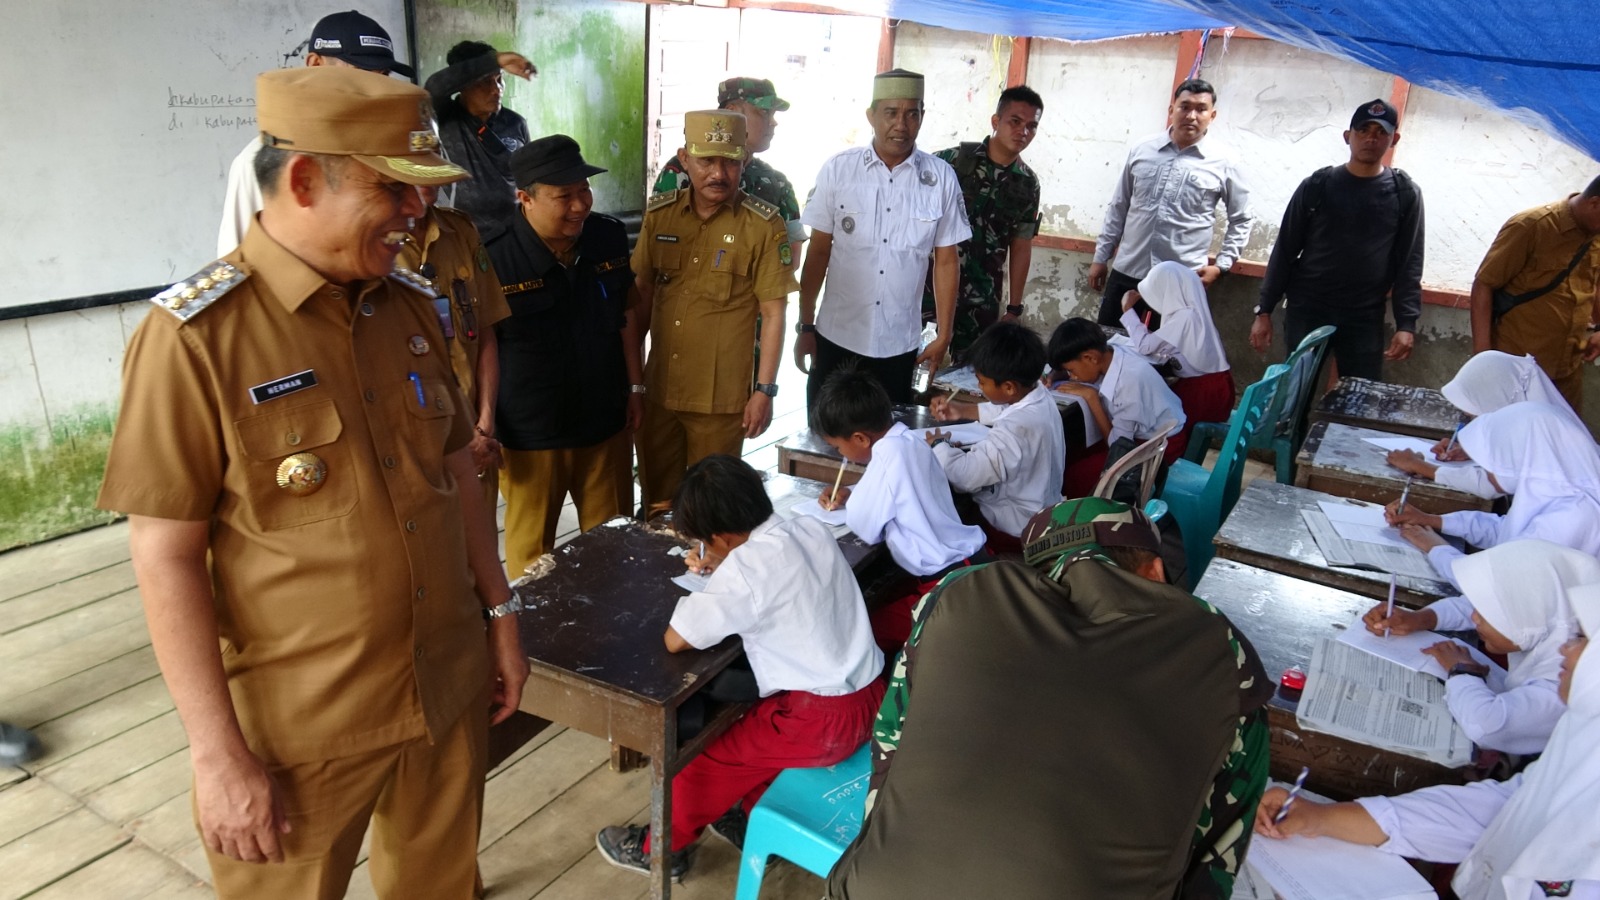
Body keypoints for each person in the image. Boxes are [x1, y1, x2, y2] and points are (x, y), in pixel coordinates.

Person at [96, 68, 528, 899]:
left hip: (444, 683)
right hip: (301, 730)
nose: (418, 212)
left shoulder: (410, 305)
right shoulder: (193, 341)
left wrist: (499, 612)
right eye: (394, 190)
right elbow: (165, 554)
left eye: (422, 192)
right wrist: (216, 754)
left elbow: (455, 473)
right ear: (302, 180)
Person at [827, 498, 1272, 900]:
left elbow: (889, 754)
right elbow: (1213, 856)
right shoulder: (1221, 649)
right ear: (1155, 572)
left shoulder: (954, 596)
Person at [595, 455, 884, 880]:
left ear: (720, 537)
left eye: (704, 543)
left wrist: (721, 574)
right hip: (869, 694)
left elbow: (677, 638)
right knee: (746, 734)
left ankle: (659, 851)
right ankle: (750, 818)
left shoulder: (745, 571)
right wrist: (723, 563)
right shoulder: (807, 528)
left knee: (701, 764)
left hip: (820, 721)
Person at [1255, 579, 1600, 900]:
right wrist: (1321, 818)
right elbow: (1500, 810)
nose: (1566, 649)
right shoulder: (1585, 739)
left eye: (1584, 639)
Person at [486, 135, 641, 578]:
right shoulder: (494, 256)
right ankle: (534, 643)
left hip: (605, 417)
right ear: (525, 198)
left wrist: (636, 387)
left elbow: (626, 315)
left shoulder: (608, 236)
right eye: (564, 196)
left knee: (613, 541)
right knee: (532, 559)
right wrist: (486, 421)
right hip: (532, 431)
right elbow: (483, 349)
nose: (579, 206)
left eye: (584, 191)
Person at [626, 111, 797, 509]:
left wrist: (764, 391)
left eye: (730, 162)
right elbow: (641, 296)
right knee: (657, 503)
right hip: (660, 391)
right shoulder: (660, 215)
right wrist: (633, 383)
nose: (718, 173)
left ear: (745, 163)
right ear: (685, 159)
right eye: (707, 160)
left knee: (713, 508)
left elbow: (774, 313)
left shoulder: (763, 226)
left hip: (720, 400)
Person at [795, 69, 971, 406]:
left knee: (889, 441)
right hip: (837, 337)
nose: (901, 124)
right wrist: (805, 326)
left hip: (899, 345)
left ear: (922, 117)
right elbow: (817, 253)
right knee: (825, 441)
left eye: (912, 113)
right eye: (891, 113)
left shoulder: (941, 178)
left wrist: (944, 333)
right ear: (871, 116)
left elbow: (947, 261)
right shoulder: (838, 170)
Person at [1365, 540, 1599, 755]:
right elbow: (1475, 606)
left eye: (1487, 614)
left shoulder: (1569, 678)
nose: (1475, 617)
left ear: (1527, 617)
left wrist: (1463, 672)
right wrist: (1420, 618)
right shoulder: (1554, 614)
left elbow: (1488, 725)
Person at [812, 367, 988, 651]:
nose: (840, 455)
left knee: (865, 632)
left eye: (838, 447)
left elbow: (865, 525)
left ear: (860, 438)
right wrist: (853, 491)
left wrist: (855, 500)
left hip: (948, 589)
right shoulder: (908, 440)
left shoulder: (886, 456)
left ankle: (905, 686)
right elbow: (904, 489)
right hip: (970, 565)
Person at [1250, 99, 1424, 378]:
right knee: (1295, 396)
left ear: (1394, 140)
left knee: (1356, 398)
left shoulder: (1404, 194)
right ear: (1348, 136)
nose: (1371, 138)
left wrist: (1406, 324)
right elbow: (1285, 249)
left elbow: (1410, 262)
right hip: (1308, 308)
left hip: (1364, 314)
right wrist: (1264, 310)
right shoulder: (1317, 186)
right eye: (1363, 130)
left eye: (1381, 132)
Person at [216, 9, 412, 254]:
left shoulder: (388, 151)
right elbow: (236, 263)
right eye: (361, 74)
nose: (376, 90)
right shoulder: (260, 159)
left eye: (384, 76)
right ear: (315, 64)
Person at [1385, 402, 1600, 591]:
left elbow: (1494, 585)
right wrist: (1431, 520)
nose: (1486, 471)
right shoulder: (1555, 486)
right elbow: (1508, 530)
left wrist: (1435, 547)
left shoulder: (1574, 515)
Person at [1090, 79, 1252, 328]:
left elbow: (1241, 219)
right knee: (1111, 347)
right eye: (1184, 107)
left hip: (1181, 281)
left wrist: (1221, 266)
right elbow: (1119, 206)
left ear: (1213, 115)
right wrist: (1101, 258)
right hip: (1128, 271)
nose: (1192, 115)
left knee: (1167, 357)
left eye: (1201, 109)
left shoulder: (1226, 162)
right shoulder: (1142, 150)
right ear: (1171, 110)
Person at [397, 186, 511, 504]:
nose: (428, 180)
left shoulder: (459, 230)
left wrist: (484, 425)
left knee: (480, 543)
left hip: (476, 439)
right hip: (414, 450)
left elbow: (486, 331)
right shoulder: (374, 246)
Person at [922, 86, 1044, 361]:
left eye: (1032, 126)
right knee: (918, 373)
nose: (1023, 132)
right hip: (929, 294)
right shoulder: (948, 162)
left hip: (981, 301)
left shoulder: (1027, 183)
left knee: (970, 378)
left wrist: (1014, 308)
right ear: (995, 121)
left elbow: (1021, 245)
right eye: (1015, 121)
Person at [924, 322, 1064, 553]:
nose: (979, 386)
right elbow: (1007, 410)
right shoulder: (1040, 396)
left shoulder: (1014, 427)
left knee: (945, 515)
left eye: (981, 381)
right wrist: (961, 410)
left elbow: (965, 476)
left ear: (1009, 387)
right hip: (1045, 510)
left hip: (1016, 527)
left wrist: (940, 445)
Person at [1471, 176, 1600, 413]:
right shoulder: (1532, 226)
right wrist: (1483, 360)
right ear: (1595, 203)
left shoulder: (1595, 233)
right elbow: (1484, 285)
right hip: (1518, 369)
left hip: (1566, 372)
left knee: (1560, 444)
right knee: (1507, 441)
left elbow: (1596, 283)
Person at [1386, 350, 1584, 499]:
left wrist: (1419, 466)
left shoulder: (1539, 436)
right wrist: (1472, 452)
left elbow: (1490, 485)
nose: (1470, 417)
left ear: (1495, 397)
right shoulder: (1537, 421)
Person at [652, 77, 805, 247]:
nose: (773, 122)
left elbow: (791, 255)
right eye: (764, 112)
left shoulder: (777, 182)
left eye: (773, 114)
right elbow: (660, 243)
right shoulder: (681, 171)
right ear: (732, 112)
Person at [1049, 317, 1187, 498]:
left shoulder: (1128, 385)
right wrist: (1054, 373)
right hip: (1149, 434)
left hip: (1156, 449)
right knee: (1072, 454)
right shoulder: (1113, 351)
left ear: (1090, 357)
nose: (1071, 377)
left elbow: (1118, 450)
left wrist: (1091, 398)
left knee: (1072, 475)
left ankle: (1085, 520)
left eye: (1071, 370)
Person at [424, 41, 536, 242]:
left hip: (513, 236)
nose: (496, 89)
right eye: (485, 82)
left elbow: (528, 179)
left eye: (499, 79)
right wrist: (496, 60)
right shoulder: (444, 118)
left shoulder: (515, 123)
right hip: (462, 238)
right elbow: (435, 86)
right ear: (462, 85)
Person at [1119, 261, 1234, 436]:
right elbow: (1159, 343)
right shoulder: (1190, 312)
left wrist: (1127, 310)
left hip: (1205, 394)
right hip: (1214, 388)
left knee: (1154, 423)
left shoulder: (1185, 317)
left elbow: (1144, 346)